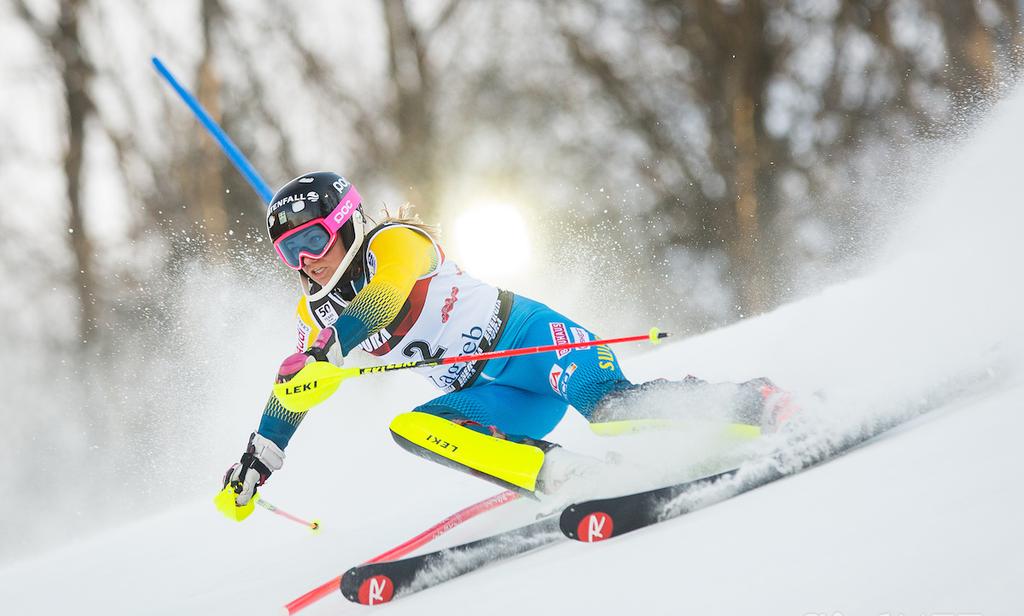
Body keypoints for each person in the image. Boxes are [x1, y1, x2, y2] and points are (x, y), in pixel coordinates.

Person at [222, 172, 795, 510]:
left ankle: (757, 401)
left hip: (534, 345)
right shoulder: (313, 313)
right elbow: (295, 390)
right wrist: (261, 456)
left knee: (611, 410)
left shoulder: (395, 242)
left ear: (347, 222)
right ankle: (569, 475)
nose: (307, 262)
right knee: (412, 427)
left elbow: (387, 299)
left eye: (314, 241)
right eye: (290, 253)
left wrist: (331, 347)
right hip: (496, 397)